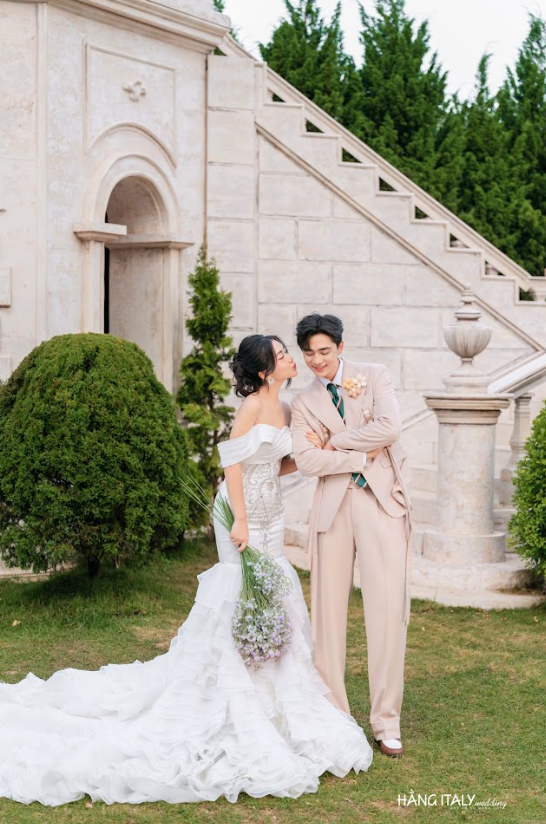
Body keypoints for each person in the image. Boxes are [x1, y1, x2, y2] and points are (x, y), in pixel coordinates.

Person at [0, 333, 372, 807]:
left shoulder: (285, 406)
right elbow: (233, 466)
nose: (291, 359)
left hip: (272, 514)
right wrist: (239, 520)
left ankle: (275, 692)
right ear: (264, 370)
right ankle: (229, 688)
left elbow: (275, 464)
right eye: (282, 356)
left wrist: (311, 455)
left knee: (274, 590)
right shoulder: (252, 407)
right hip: (239, 513)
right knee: (238, 590)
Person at [290, 314, 412, 758]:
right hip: (332, 508)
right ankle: (334, 717)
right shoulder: (303, 401)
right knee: (327, 616)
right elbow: (306, 461)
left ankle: (386, 721)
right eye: (308, 353)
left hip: (381, 503)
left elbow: (390, 428)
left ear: (341, 347)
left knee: (388, 611)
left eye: (324, 351)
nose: (316, 360)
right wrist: (360, 454)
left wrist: (335, 442)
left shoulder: (374, 376)